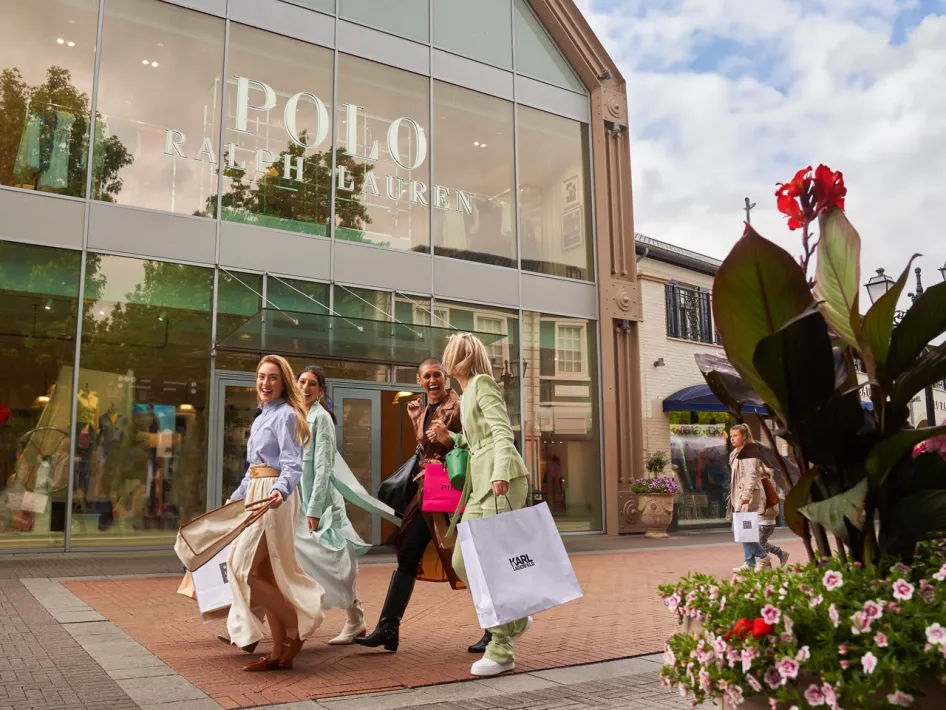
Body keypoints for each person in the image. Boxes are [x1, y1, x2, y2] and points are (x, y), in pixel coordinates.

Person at [356, 357, 487, 654]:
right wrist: (417, 421)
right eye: (427, 376)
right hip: (428, 493)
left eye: (437, 375)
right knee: (408, 553)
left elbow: (472, 445)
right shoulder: (425, 408)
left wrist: (449, 440)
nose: (432, 381)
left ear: (446, 377)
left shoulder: (460, 406)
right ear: (419, 381)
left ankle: (495, 629)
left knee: (470, 560)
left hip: (452, 494)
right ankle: (388, 628)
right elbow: (425, 449)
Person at [429, 334, 531, 678]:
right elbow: (479, 439)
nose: (447, 356)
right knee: (462, 561)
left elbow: (502, 433)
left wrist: (500, 472)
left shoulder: (482, 384)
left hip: (500, 480)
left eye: (451, 352)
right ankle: (516, 618)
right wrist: (454, 439)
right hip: (480, 484)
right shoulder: (468, 391)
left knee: (492, 564)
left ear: (461, 357)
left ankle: (500, 646)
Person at [226, 355, 325, 672]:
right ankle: (279, 652)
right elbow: (253, 468)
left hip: (274, 497)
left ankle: (295, 627)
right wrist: (235, 498)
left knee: (241, 568)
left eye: (272, 377)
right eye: (260, 376)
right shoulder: (261, 417)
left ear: (283, 384)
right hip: (258, 493)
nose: (265, 383)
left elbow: (292, 464)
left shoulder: (286, 416)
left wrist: (280, 491)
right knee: (265, 574)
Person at [295, 365, 388, 645]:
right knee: (297, 558)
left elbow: (323, 466)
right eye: (302, 382)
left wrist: (314, 509)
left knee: (335, 559)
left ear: (321, 391)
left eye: (312, 384)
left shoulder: (321, 418)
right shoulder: (296, 416)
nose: (306, 388)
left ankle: (355, 618)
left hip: (321, 502)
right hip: (297, 498)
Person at [727, 424, 789, 572]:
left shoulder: (749, 453)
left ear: (744, 437)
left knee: (741, 529)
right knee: (744, 530)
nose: (732, 439)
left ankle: (761, 556)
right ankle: (749, 562)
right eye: (731, 436)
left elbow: (750, 475)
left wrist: (746, 495)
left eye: (735, 436)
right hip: (739, 496)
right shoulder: (735, 453)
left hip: (747, 496)